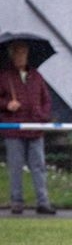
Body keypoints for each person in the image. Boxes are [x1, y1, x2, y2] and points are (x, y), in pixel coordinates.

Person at [0, 40, 56, 215]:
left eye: (23, 53)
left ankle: (43, 202)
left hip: (35, 128)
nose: (20, 56)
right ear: (11, 55)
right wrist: (7, 104)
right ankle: (16, 202)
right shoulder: (4, 77)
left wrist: (43, 116)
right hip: (14, 130)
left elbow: (46, 100)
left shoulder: (36, 76)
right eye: (17, 53)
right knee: (16, 167)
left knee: (39, 166)